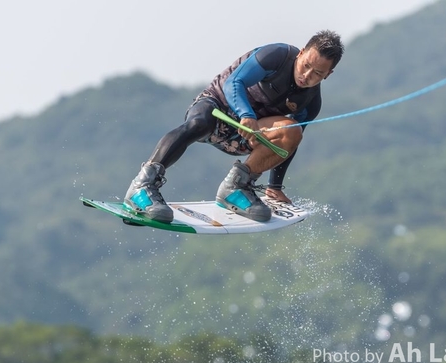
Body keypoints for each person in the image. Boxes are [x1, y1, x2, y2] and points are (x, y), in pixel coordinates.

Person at [124, 30, 344, 223]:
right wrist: (246, 114)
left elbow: (288, 146)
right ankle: (142, 185)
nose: (307, 76)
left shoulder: (311, 101)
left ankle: (236, 187)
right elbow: (234, 83)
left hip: (247, 135)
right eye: (306, 65)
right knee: (198, 124)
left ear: (329, 74)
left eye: (318, 74)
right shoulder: (276, 56)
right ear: (302, 52)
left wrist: (275, 187)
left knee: (292, 131)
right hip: (217, 108)